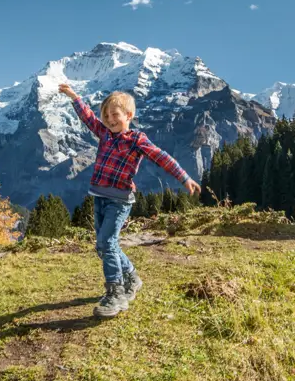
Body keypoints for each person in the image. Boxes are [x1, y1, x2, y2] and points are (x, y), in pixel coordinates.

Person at [59, 83, 201, 318]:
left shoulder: (136, 139)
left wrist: (183, 177)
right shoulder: (104, 133)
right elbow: (88, 118)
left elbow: (160, 157)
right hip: (99, 197)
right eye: (106, 115)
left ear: (129, 116)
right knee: (104, 245)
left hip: (119, 201)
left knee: (107, 243)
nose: (109, 119)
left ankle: (116, 293)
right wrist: (74, 97)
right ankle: (132, 277)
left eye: (115, 114)